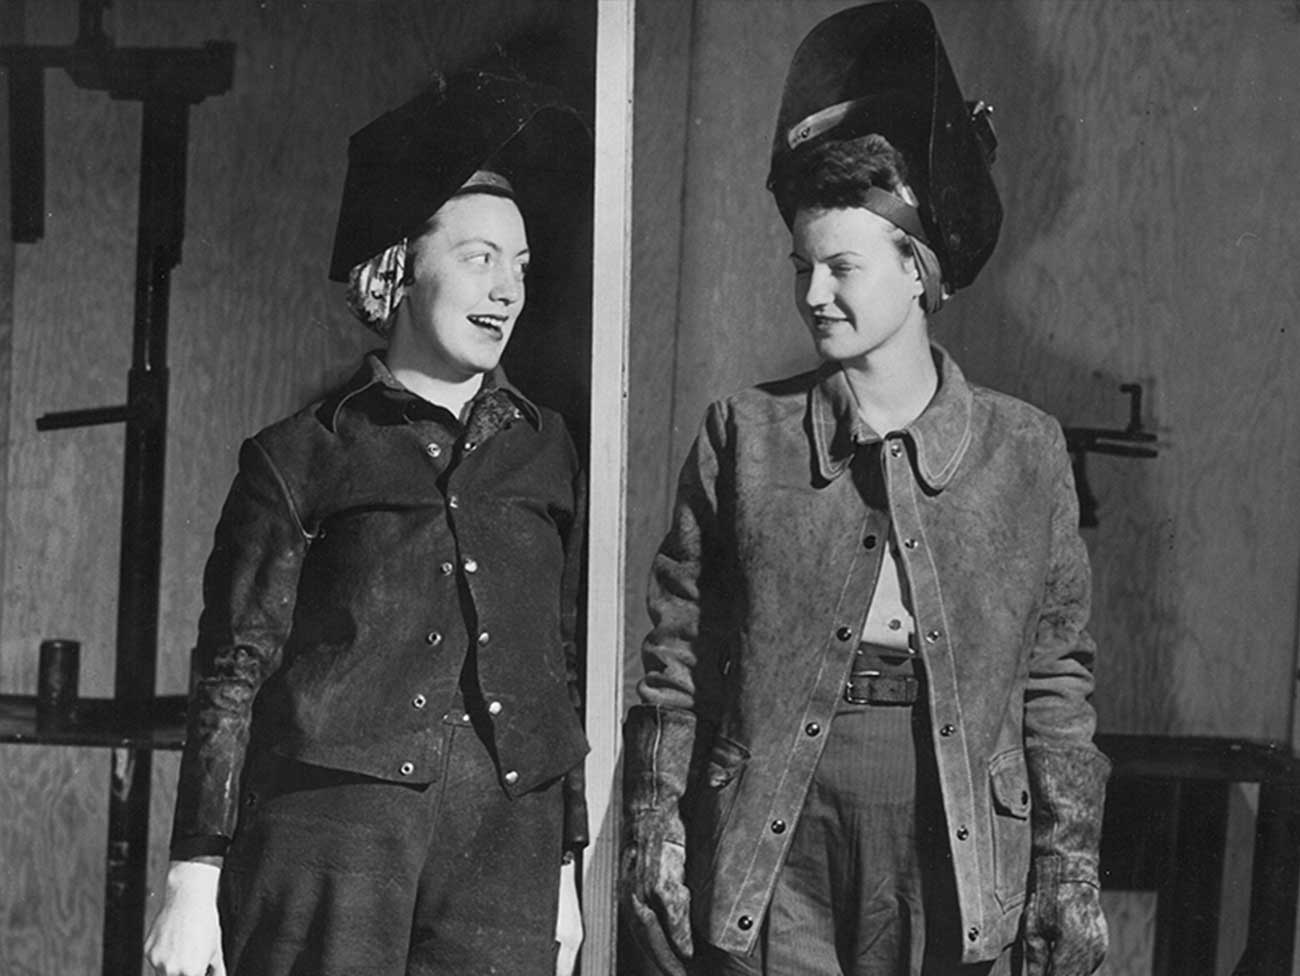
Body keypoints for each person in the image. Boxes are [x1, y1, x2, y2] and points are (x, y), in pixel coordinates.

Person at [621, 3, 1109, 975]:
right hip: (777, 817)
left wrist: (1069, 869)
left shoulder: (1024, 453)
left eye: (840, 267)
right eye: (801, 267)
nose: (812, 294)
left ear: (918, 269)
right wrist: (655, 829)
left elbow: (1056, 681)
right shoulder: (741, 437)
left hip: (950, 819)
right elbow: (677, 659)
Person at [144, 65, 592, 976]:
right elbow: (234, 670)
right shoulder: (299, 454)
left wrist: (564, 866)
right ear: (398, 265)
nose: (505, 289)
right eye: (477, 258)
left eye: (520, 266)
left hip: (501, 851)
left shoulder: (547, 449)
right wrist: (193, 877)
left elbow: (559, 661)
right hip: (329, 849)